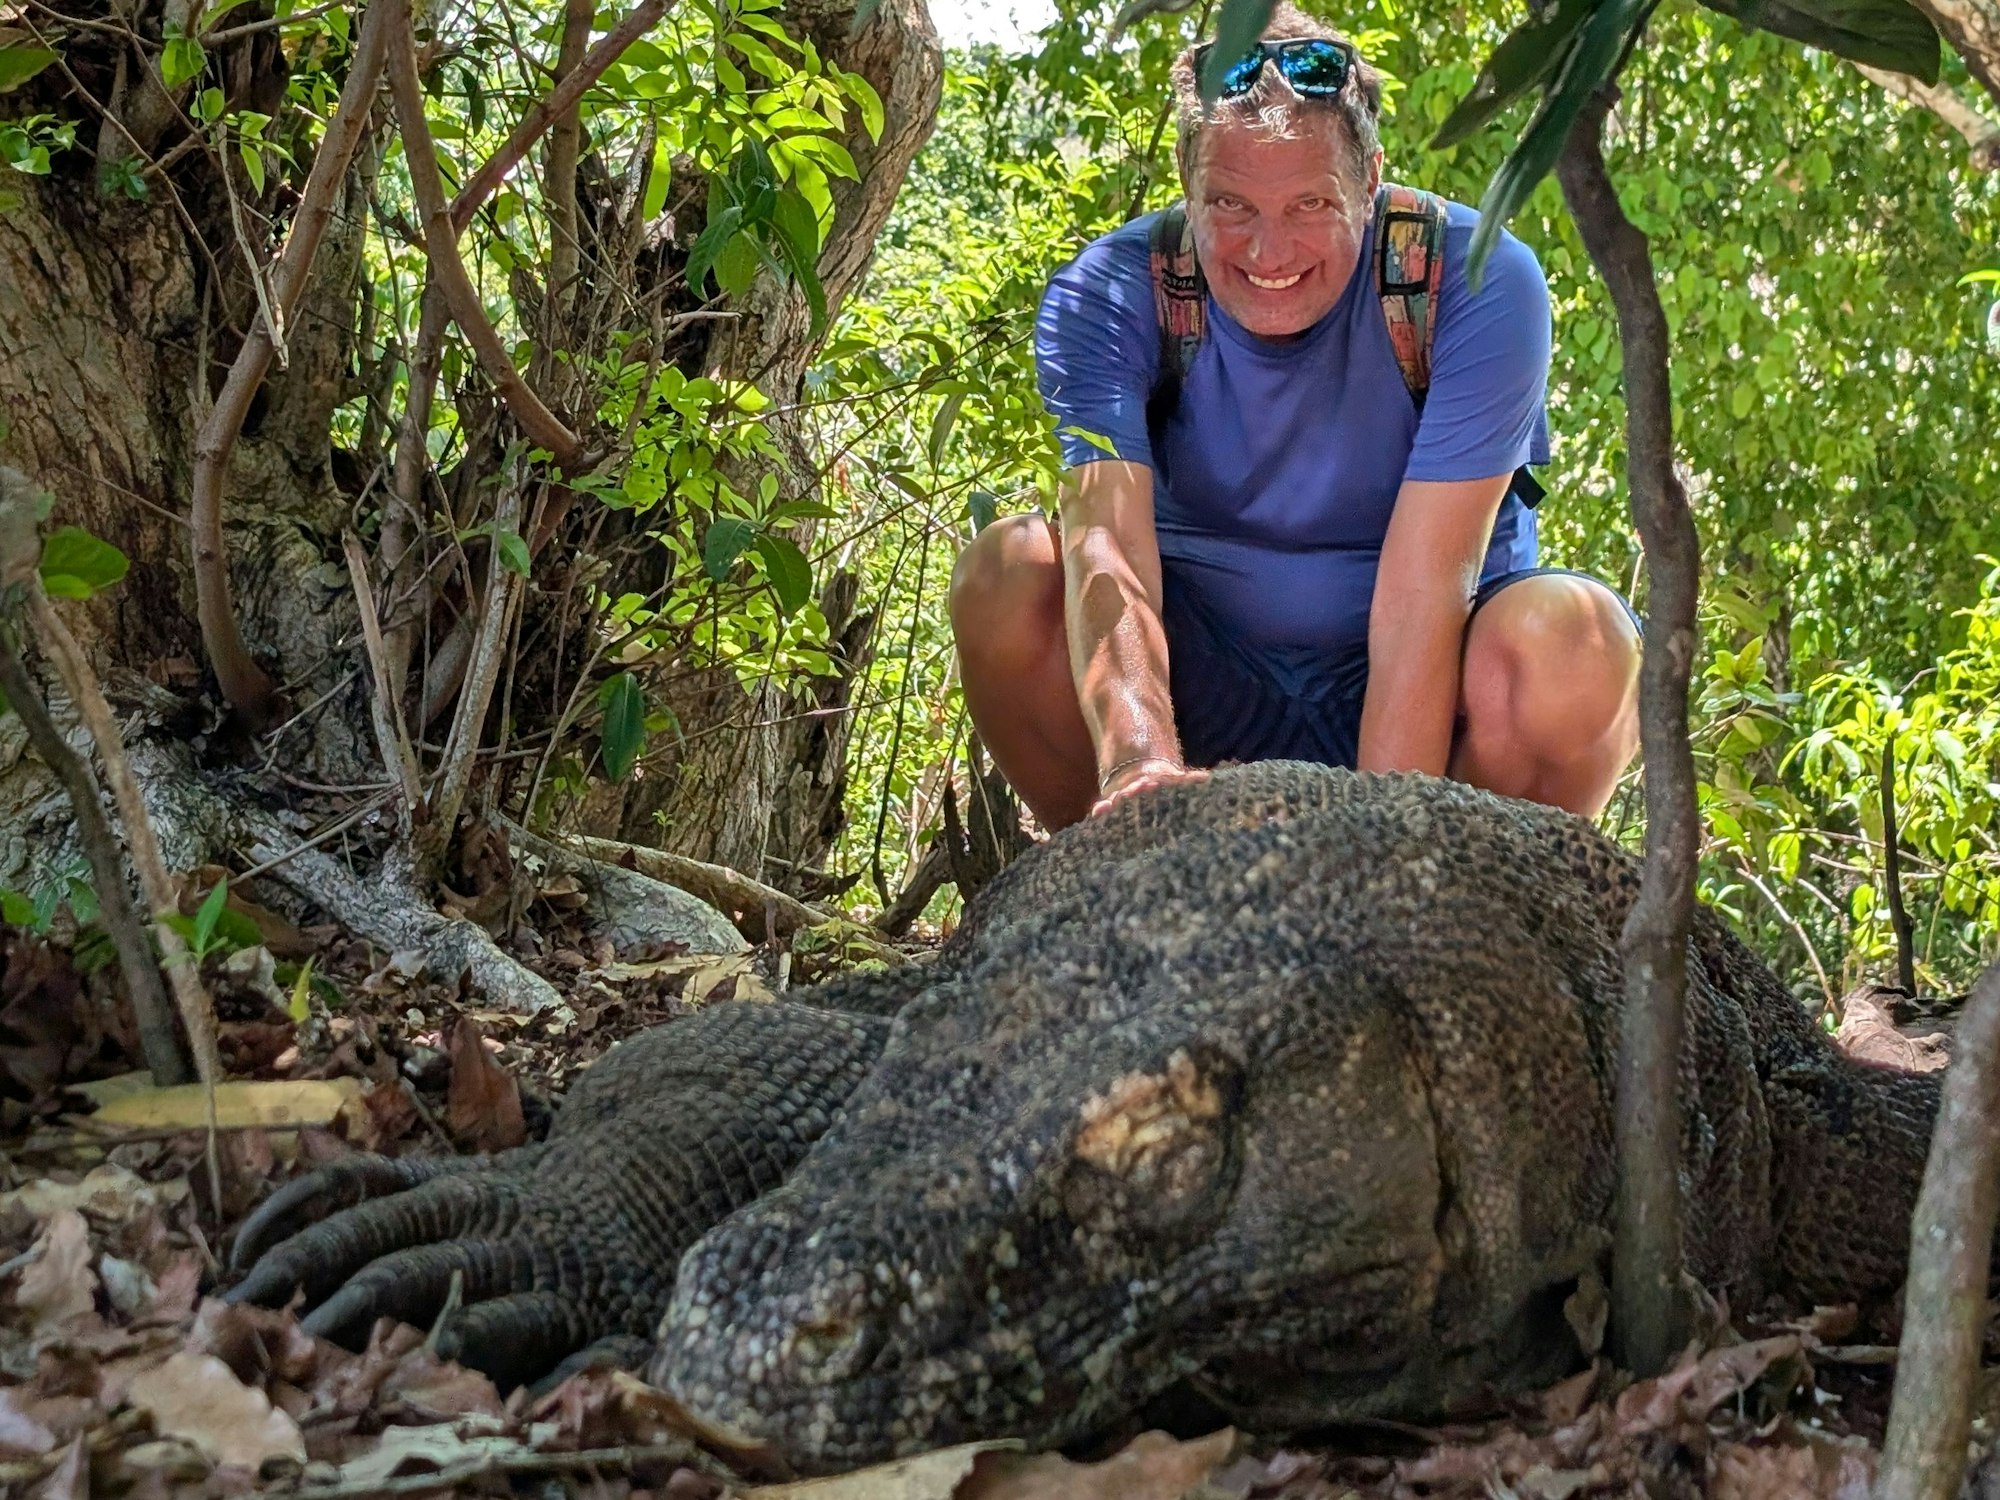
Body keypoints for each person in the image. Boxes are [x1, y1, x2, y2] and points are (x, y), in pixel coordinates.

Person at [949, 5, 1642, 832]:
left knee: (1576, 646)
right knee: (1005, 573)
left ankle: (1464, 895)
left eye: (1311, 204)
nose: (1267, 253)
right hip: (1205, 678)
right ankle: (1115, 871)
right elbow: (1108, 545)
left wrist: (1370, 849)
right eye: (1231, 205)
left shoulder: (1472, 279)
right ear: (1186, 186)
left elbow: (1427, 591)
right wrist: (1141, 761)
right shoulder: (1109, 290)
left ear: (1372, 178)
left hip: (1428, 677)